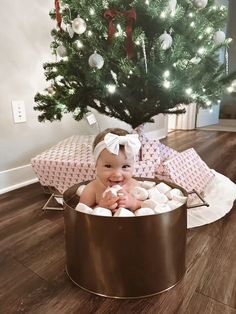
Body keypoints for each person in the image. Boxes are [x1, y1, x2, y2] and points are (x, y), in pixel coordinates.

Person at [79, 128, 142, 212]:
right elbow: (81, 213)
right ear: (96, 165)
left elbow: (145, 206)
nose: (117, 174)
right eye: (108, 166)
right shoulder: (92, 189)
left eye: (125, 166)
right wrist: (101, 207)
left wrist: (134, 203)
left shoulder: (134, 186)